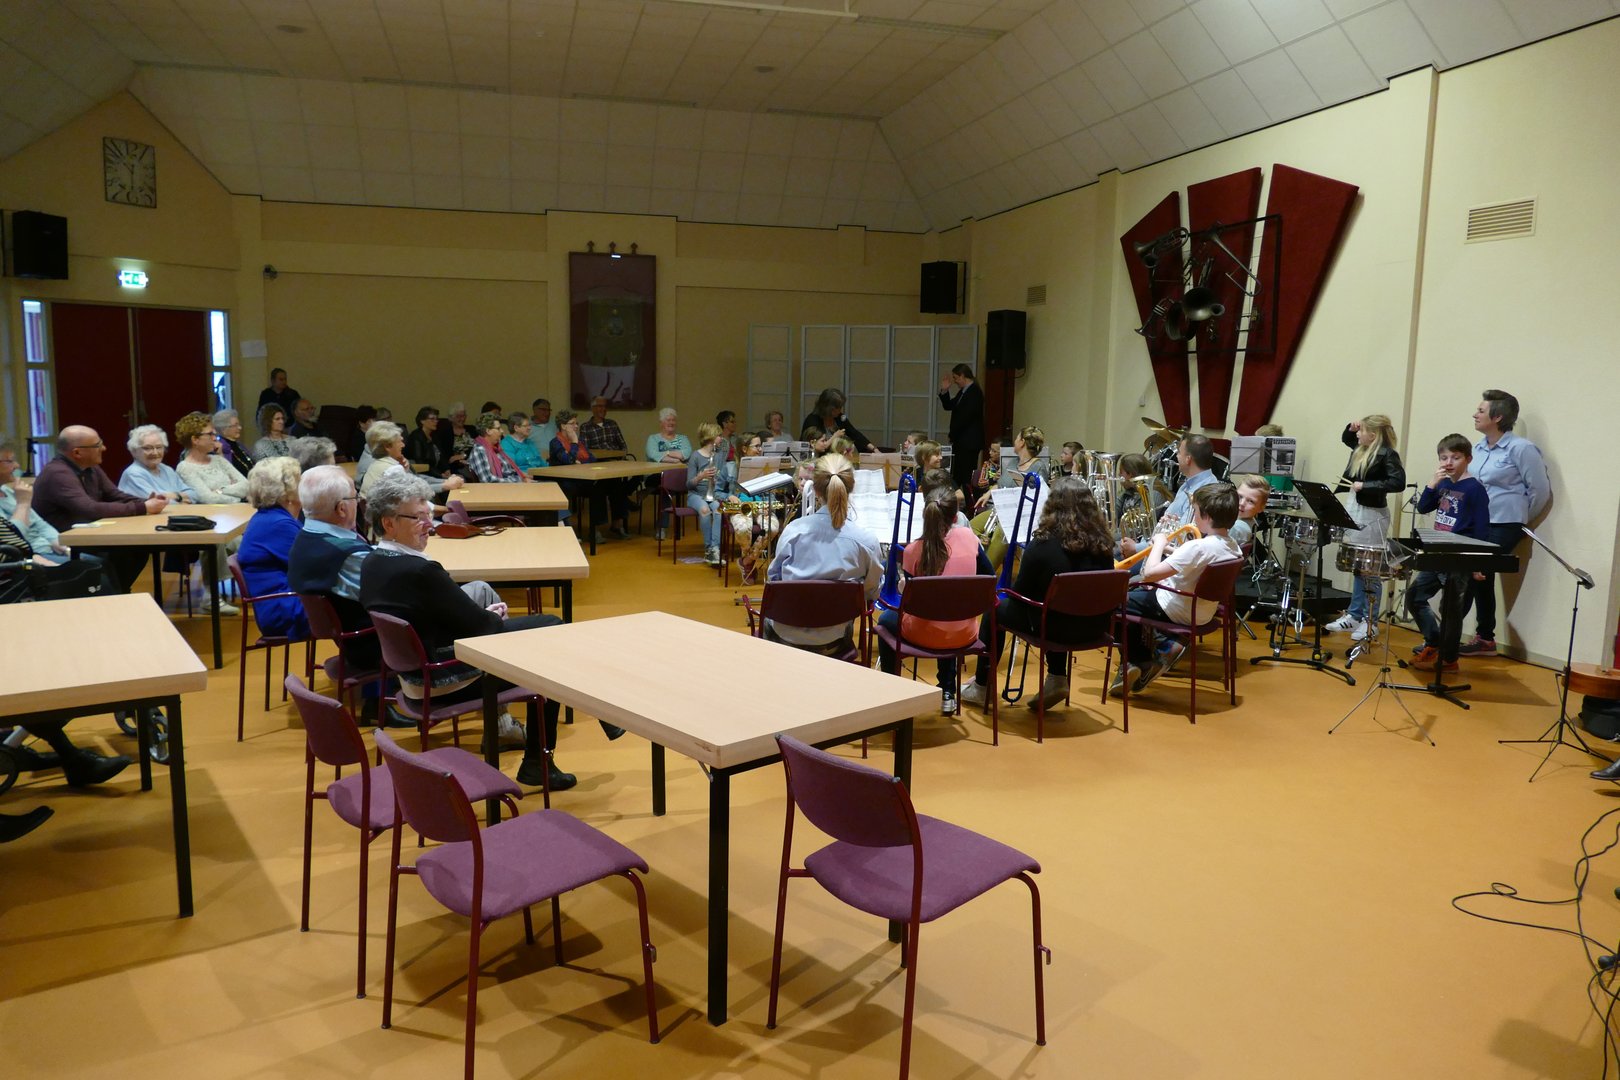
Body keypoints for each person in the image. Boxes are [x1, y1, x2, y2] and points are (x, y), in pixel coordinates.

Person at [358, 471, 611, 790]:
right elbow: (483, 626)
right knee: (552, 637)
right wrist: (490, 615)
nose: (429, 524)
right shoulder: (421, 570)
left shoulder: (373, 562)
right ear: (388, 523)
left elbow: (433, 617)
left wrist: (482, 618)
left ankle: (582, 728)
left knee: (546, 633)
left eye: (428, 515)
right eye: (417, 517)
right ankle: (542, 760)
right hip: (442, 679)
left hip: (413, 678)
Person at [961, 478, 1115, 712]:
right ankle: (1056, 677)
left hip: (1054, 629)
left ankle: (982, 686)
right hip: (1095, 627)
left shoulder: (1042, 544)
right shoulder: (1104, 545)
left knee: (996, 609)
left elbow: (1019, 593)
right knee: (1059, 606)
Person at [1112, 482, 1242, 696]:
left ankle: (1139, 660)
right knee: (1134, 597)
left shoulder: (1198, 546)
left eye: (1196, 512)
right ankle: (1157, 649)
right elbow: (1196, 560)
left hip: (1176, 608)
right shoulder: (1232, 546)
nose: (1194, 517)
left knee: (1115, 601)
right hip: (1202, 612)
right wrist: (1171, 549)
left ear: (1206, 516)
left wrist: (1158, 544)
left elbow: (1149, 574)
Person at [878, 487, 994, 714]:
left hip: (924, 633)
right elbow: (989, 577)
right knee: (947, 612)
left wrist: (904, 587)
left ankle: (893, 696)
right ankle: (948, 692)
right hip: (965, 632)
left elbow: (910, 602)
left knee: (884, 621)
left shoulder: (913, 550)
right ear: (955, 517)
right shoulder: (969, 537)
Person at [1460, 389, 1550, 656]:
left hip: (1505, 523)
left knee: (1474, 571)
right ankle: (1485, 639)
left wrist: (1520, 519)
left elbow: (1540, 490)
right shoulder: (1477, 448)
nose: (1474, 414)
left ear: (1497, 417)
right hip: (1479, 523)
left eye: (1480, 410)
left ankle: (1445, 637)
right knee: (1479, 576)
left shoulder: (1521, 448)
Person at [765, 453, 883, 653]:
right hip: (833, 640)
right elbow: (871, 591)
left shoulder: (793, 531)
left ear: (816, 490)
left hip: (785, 637)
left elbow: (774, 581)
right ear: (850, 488)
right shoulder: (866, 541)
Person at [31, 425, 167, 592]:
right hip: (65, 541)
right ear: (77, 453)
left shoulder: (91, 467)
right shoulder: (57, 473)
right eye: (97, 445)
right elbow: (89, 509)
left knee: (136, 550)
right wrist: (143, 507)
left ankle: (118, 594)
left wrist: (147, 502)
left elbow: (115, 495)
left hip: (90, 535)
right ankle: (114, 595)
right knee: (125, 553)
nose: (104, 448)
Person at [1407, 434, 1492, 675]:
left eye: (1455, 457)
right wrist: (1432, 484)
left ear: (1468, 459)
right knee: (1414, 597)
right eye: (1444, 458)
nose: (1449, 462)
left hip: (1460, 557)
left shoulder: (1475, 489)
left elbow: (1482, 528)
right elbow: (1423, 507)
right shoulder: (1444, 484)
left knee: (1451, 610)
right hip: (1438, 552)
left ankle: (1448, 659)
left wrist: (1478, 563)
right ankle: (1434, 642)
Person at [1323, 415, 1405, 642]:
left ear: (1373, 435)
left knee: (1370, 569)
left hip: (1372, 515)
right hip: (1355, 509)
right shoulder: (1361, 449)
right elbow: (1347, 439)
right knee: (1358, 567)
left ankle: (1371, 621)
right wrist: (1350, 429)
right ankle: (1354, 614)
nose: (1358, 435)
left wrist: (1366, 486)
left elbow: (1398, 482)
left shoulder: (1387, 454)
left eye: (1362, 431)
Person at [236, 457, 308, 639]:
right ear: (287, 492)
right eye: (300, 481)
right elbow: (313, 566)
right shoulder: (278, 524)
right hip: (284, 609)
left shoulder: (270, 517)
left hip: (284, 601)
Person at [1119, 434, 1218, 562]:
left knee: (1112, 567)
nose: (1176, 456)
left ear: (1188, 459)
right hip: (1157, 549)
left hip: (1169, 557)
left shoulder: (1206, 490)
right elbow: (1169, 525)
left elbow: (1181, 536)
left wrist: (1137, 548)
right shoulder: (1187, 485)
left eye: (1179, 453)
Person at [175, 411, 249, 504]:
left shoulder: (218, 460)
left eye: (214, 434)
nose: (214, 438)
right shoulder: (185, 468)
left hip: (236, 510)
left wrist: (220, 491)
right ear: (195, 439)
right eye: (210, 434)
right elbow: (207, 498)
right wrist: (239, 499)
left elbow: (246, 485)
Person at [687, 422, 733, 566]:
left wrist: (719, 478)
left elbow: (722, 477)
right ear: (711, 437)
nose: (721, 438)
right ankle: (708, 548)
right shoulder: (695, 456)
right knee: (705, 510)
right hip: (695, 495)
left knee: (718, 510)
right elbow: (689, 484)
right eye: (718, 435)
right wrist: (701, 476)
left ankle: (715, 548)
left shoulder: (718, 456)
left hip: (713, 494)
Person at [117, 425, 198, 505]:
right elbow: (158, 503)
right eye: (147, 448)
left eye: (159, 447)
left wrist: (175, 496)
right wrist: (182, 501)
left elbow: (193, 495)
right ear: (134, 451)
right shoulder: (133, 473)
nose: (155, 453)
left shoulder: (167, 470)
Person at [938, 363, 985, 495]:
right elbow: (949, 406)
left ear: (963, 376)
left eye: (956, 378)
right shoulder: (963, 392)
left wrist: (952, 434)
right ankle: (957, 497)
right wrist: (944, 391)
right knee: (958, 473)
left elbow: (965, 418)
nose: (955, 381)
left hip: (969, 442)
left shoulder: (974, 392)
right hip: (962, 441)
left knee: (966, 475)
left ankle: (969, 500)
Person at [467, 411, 531, 483]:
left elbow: (508, 471)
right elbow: (488, 480)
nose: (502, 431)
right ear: (488, 431)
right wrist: (519, 480)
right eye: (498, 428)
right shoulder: (479, 451)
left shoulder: (496, 449)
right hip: (500, 488)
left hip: (512, 485)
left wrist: (522, 476)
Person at [1227, 474, 1271, 550]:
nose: (1242, 503)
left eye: (1251, 501)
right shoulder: (1239, 523)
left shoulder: (1237, 528)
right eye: (1240, 496)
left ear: (1261, 508)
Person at [433, 402, 475, 477]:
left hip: (473, 461)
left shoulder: (472, 429)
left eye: (463, 416)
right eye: (458, 416)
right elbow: (445, 454)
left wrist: (464, 455)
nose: (462, 419)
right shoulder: (446, 433)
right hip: (456, 466)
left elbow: (479, 447)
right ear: (451, 418)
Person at [213, 409, 256, 474]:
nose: (240, 428)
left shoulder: (240, 445)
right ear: (223, 429)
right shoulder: (221, 448)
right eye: (235, 425)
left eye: (239, 424)